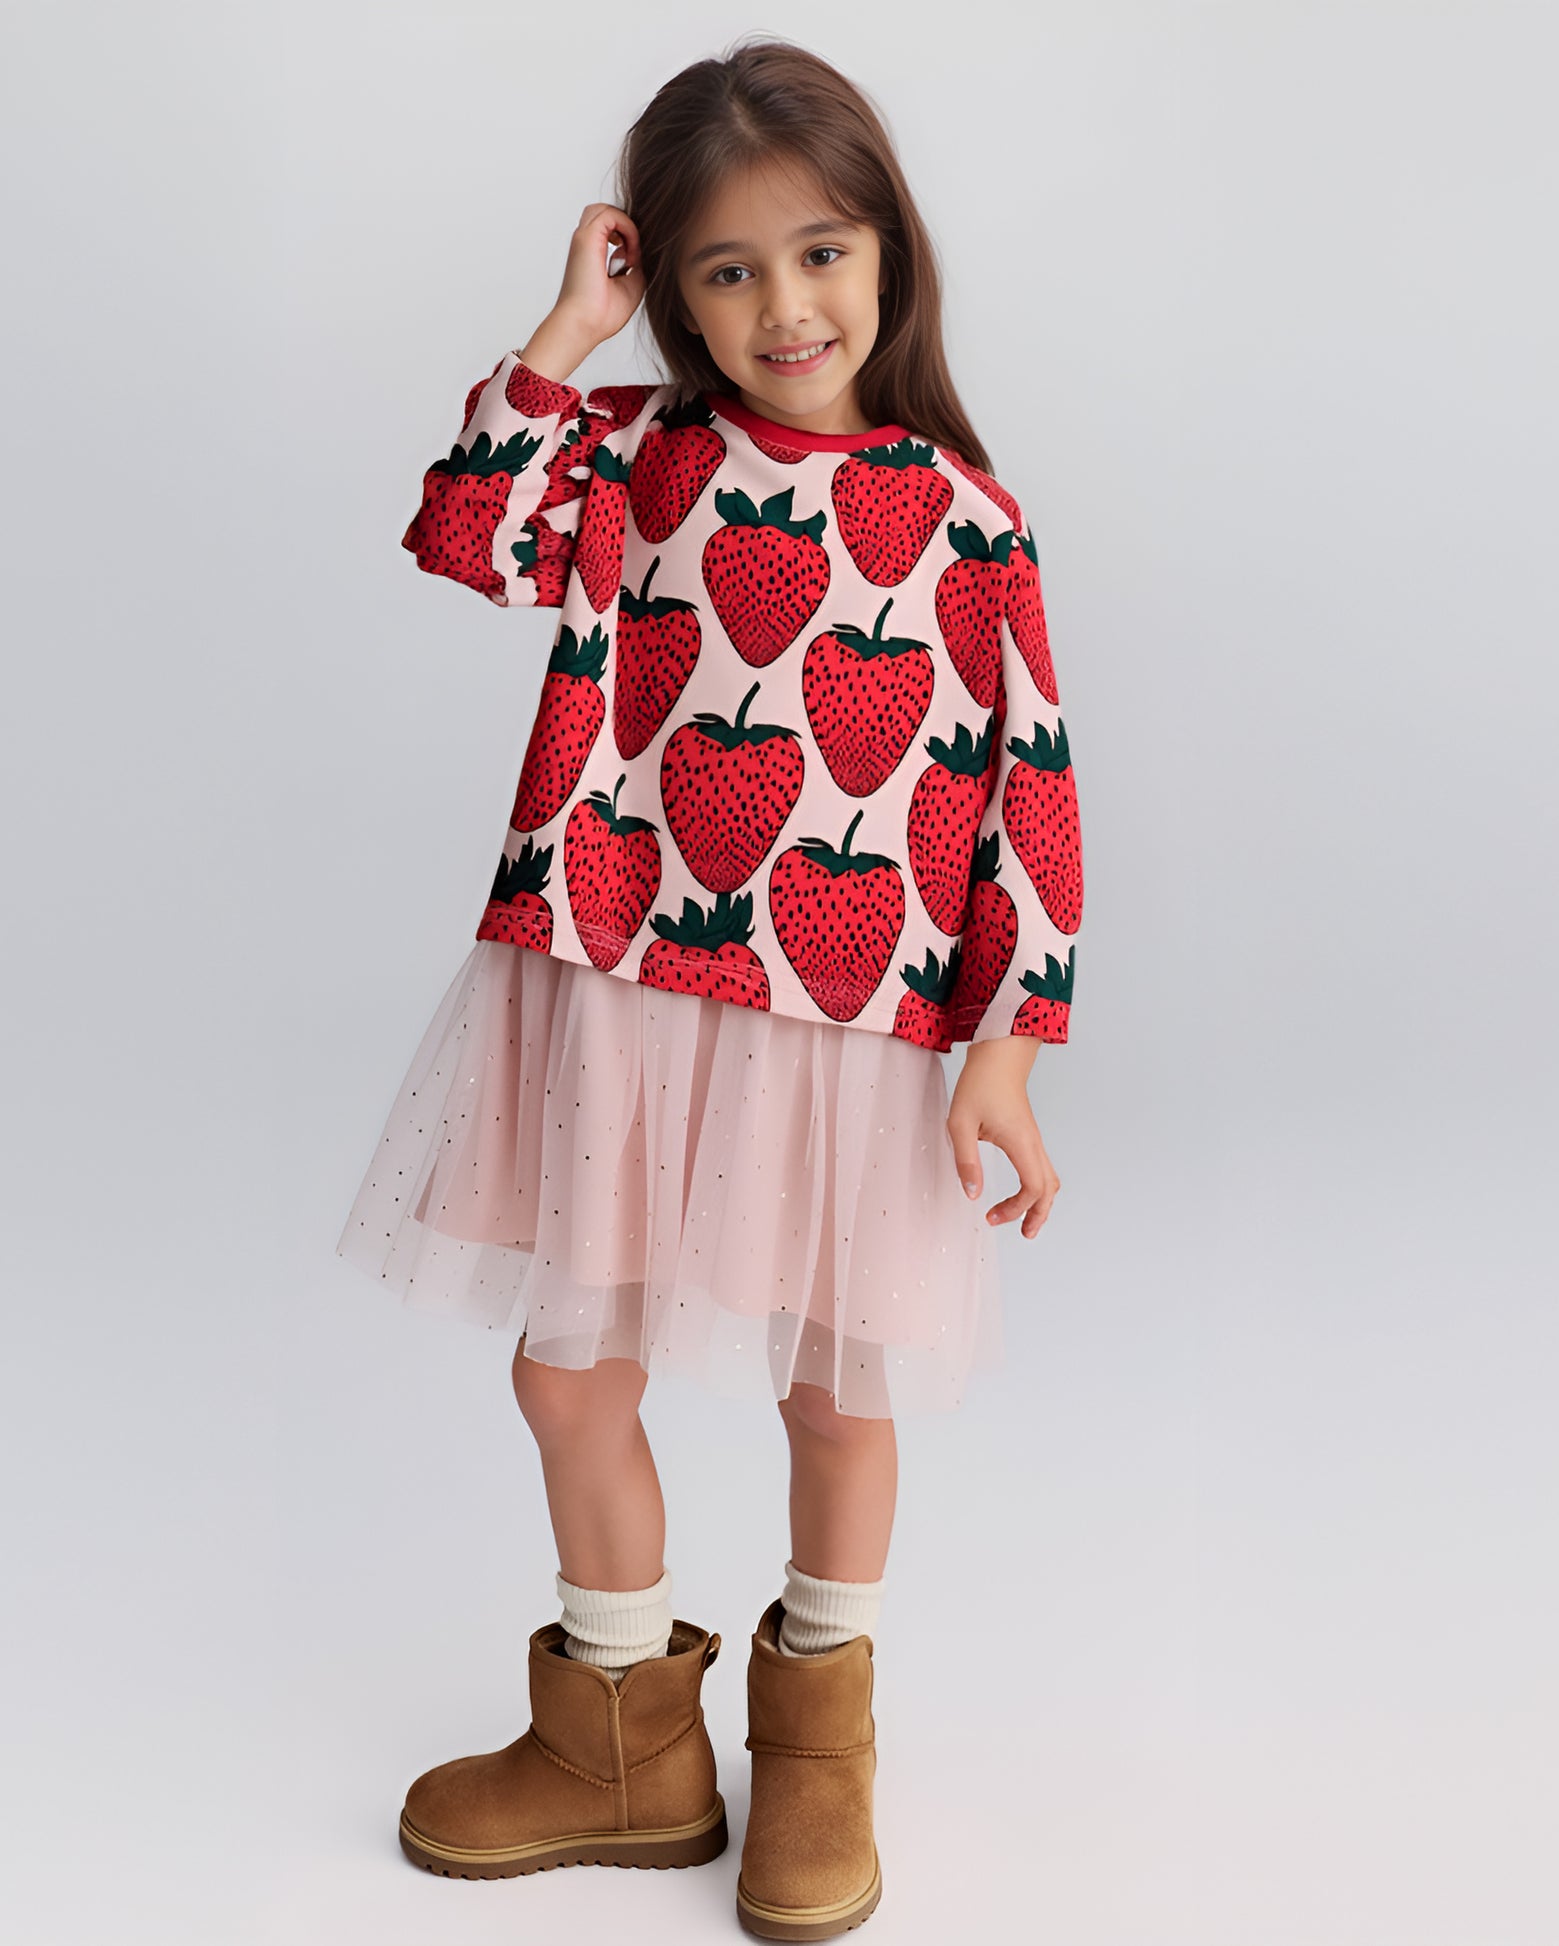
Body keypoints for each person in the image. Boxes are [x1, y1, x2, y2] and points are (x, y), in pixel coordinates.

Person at [334, 35, 1085, 1937]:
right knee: (565, 1368)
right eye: (725, 271)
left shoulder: (968, 520)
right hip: (618, 978)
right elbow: (463, 535)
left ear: (888, 250)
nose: (783, 307)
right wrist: (564, 336)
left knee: (836, 1391)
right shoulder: (633, 459)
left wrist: (1006, 1048)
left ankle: (818, 1750)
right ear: (669, 285)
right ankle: (620, 1744)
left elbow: (1030, 793)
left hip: (851, 1024)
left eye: (820, 253)